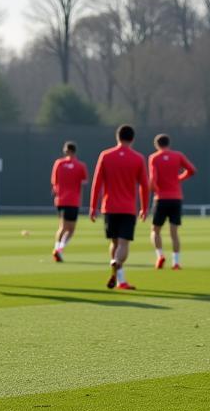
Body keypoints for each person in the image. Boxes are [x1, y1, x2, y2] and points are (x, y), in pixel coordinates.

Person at [90, 124, 149, 291]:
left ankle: (119, 279)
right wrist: (144, 208)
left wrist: (93, 207)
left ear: (117, 137)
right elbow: (144, 185)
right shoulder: (137, 158)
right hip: (128, 208)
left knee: (114, 242)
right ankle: (116, 263)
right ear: (133, 139)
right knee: (123, 244)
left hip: (109, 207)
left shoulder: (106, 155)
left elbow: (97, 183)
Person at [148, 134, 196, 269]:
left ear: (157, 145)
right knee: (174, 233)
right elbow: (192, 170)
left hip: (161, 199)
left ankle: (160, 255)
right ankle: (176, 262)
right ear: (169, 143)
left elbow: (152, 179)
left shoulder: (154, 158)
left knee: (155, 231)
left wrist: (156, 189)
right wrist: (179, 178)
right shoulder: (178, 155)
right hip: (176, 198)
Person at [50, 141, 89, 262]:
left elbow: (54, 182)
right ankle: (59, 249)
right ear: (75, 151)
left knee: (62, 226)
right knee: (70, 229)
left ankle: (57, 247)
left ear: (65, 151)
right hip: (73, 200)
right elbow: (85, 181)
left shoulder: (59, 163)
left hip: (60, 200)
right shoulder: (80, 165)